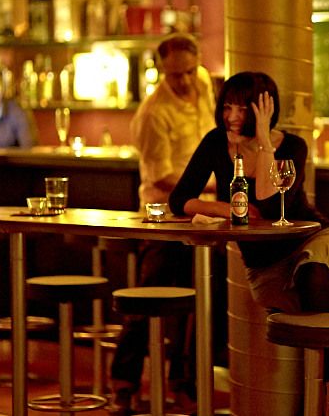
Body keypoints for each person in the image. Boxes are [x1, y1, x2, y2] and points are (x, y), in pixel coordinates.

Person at [169, 71, 329, 416]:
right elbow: (179, 199)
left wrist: (263, 141)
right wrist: (226, 208)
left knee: (314, 275)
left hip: (316, 238)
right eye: (227, 107)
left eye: (243, 109)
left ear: (263, 110)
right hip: (266, 263)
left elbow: (269, 201)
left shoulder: (293, 146)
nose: (232, 116)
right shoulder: (215, 142)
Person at [109, 33, 217, 415]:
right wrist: (217, 186)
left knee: (195, 303)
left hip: (202, 216)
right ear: (161, 71)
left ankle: (183, 384)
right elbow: (163, 176)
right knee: (146, 300)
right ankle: (124, 383)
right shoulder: (153, 112)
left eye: (189, 71)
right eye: (175, 75)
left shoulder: (203, 84)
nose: (185, 81)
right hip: (163, 217)